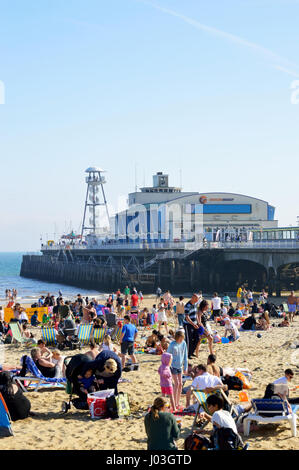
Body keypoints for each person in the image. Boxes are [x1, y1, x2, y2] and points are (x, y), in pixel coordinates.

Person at [167, 330, 188, 410]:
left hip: (180, 367)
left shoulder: (184, 343)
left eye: (182, 338)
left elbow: (185, 356)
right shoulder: (172, 344)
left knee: (180, 385)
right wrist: (167, 367)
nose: (181, 340)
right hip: (173, 366)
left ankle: (177, 402)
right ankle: (174, 403)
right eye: (180, 338)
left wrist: (185, 367)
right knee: (176, 383)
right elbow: (167, 355)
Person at [183, 293, 200, 359]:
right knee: (189, 340)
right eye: (196, 299)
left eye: (197, 299)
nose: (197, 301)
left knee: (197, 339)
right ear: (192, 298)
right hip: (188, 325)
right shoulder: (187, 305)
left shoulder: (195, 304)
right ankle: (187, 354)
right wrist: (193, 324)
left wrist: (198, 323)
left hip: (195, 324)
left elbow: (196, 314)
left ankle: (191, 352)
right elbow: (187, 317)